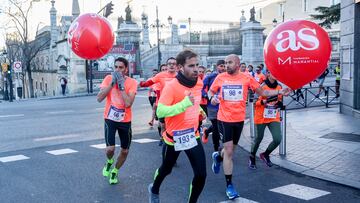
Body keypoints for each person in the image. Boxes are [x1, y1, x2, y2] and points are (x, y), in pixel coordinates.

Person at [208, 54, 290, 200]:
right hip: (224, 119)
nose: (227, 65)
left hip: (239, 119)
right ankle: (229, 185)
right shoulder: (220, 78)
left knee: (229, 151)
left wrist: (279, 91)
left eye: (230, 62)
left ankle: (218, 157)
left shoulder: (246, 78)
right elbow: (211, 91)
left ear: (238, 64)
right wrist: (212, 98)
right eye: (226, 63)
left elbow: (263, 92)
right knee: (229, 152)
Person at [148, 49, 206, 203]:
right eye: (191, 66)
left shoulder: (199, 82)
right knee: (166, 170)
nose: (195, 69)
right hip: (174, 138)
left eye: (197, 65)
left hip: (192, 135)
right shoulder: (172, 86)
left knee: (201, 174)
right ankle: (154, 189)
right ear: (181, 67)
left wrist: (199, 110)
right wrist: (183, 105)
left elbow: (195, 102)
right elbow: (161, 111)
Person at [96, 57, 137, 184]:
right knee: (110, 149)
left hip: (125, 121)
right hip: (110, 118)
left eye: (121, 67)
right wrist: (112, 84)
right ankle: (109, 162)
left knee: (125, 151)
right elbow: (99, 98)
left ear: (126, 69)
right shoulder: (108, 78)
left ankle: (115, 171)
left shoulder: (132, 82)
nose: (118, 70)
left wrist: (121, 86)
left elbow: (128, 104)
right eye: (116, 67)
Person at [249, 70, 284, 169]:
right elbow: (254, 102)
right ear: (268, 74)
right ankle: (252, 157)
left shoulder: (279, 86)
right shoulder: (262, 86)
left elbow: (280, 99)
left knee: (278, 139)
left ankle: (265, 154)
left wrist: (279, 104)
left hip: (273, 116)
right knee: (258, 139)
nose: (277, 74)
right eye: (274, 72)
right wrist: (264, 101)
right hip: (261, 117)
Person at [140, 58, 178, 146]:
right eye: (169, 64)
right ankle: (163, 139)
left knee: (173, 126)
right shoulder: (161, 75)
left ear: (177, 66)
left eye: (173, 64)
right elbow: (148, 83)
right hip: (163, 105)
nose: (171, 65)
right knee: (163, 126)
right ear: (167, 65)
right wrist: (139, 84)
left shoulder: (180, 76)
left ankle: (172, 142)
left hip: (176, 106)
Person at [201, 59, 226, 153]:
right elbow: (201, 88)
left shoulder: (228, 76)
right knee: (216, 127)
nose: (223, 68)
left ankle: (207, 132)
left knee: (221, 125)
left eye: (224, 66)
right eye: (221, 66)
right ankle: (216, 149)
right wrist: (206, 96)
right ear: (217, 66)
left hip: (224, 106)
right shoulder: (210, 76)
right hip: (212, 106)